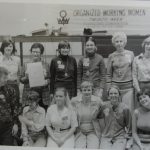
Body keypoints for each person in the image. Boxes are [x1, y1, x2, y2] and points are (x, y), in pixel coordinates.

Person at [107, 32, 134, 111]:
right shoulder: (111, 56)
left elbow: (134, 71)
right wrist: (109, 89)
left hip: (128, 88)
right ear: (114, 43)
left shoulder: (130, 54)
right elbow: (108, 74)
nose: (119, 43)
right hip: (115, 88)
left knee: (128, 110)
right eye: (117, 41)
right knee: (117, 110)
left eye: (121, 41)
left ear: (124, 42)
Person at [71, 81, 103, 149]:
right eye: (84, 90)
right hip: (79, 131)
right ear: (81, 91)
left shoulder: (98, 101)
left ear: (92, 91)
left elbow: (104, 112)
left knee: (93, 148)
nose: (87, 92)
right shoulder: (74, 101)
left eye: (89, 90)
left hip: (93, 131)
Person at [100, 85, 131, 150]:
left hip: (120, 136)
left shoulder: (125, 108)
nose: (113, 95)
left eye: (115, 93)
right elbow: (99, 121)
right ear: (108, 96)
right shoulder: (104, 106)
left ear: (119, 95)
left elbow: (129, 125)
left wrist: (128, 136)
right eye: (111, 93)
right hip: (106, 136)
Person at [20, 43, 50, 109]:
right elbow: (21, 79)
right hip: (29, 94)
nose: (35, 54)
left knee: (42, 114)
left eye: (37, 52)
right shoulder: (26, 64)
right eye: (33, 52)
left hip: (43, 95)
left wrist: (46, 81)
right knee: (29, 115)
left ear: (41, 53)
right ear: (31, 52)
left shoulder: (46, 65)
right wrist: (26, 77)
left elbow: (49, 78)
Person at [0, 66, 21, 145]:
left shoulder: (10, 90)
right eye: (4, 78)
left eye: (7, 77)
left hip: (7, 127)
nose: (6, 80)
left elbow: (15, 108)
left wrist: (15, 124)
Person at [0, 39, 21, 103]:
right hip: (2, 87)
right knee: (4, 106)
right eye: (6, 46)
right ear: (3, 47)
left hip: (14, 85)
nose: (9, 48)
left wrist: (18, 82)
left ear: (13, 48)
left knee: (15, 105)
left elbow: (19, 74)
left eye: (11, 46)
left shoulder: (17, 59)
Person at [132, 37, 150, 106]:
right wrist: (138, 90)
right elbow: (134, 76)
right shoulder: (137, 59)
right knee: (141, 107)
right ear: (144, 45)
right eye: (147, 44)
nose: (149, 46)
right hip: (141, 86)